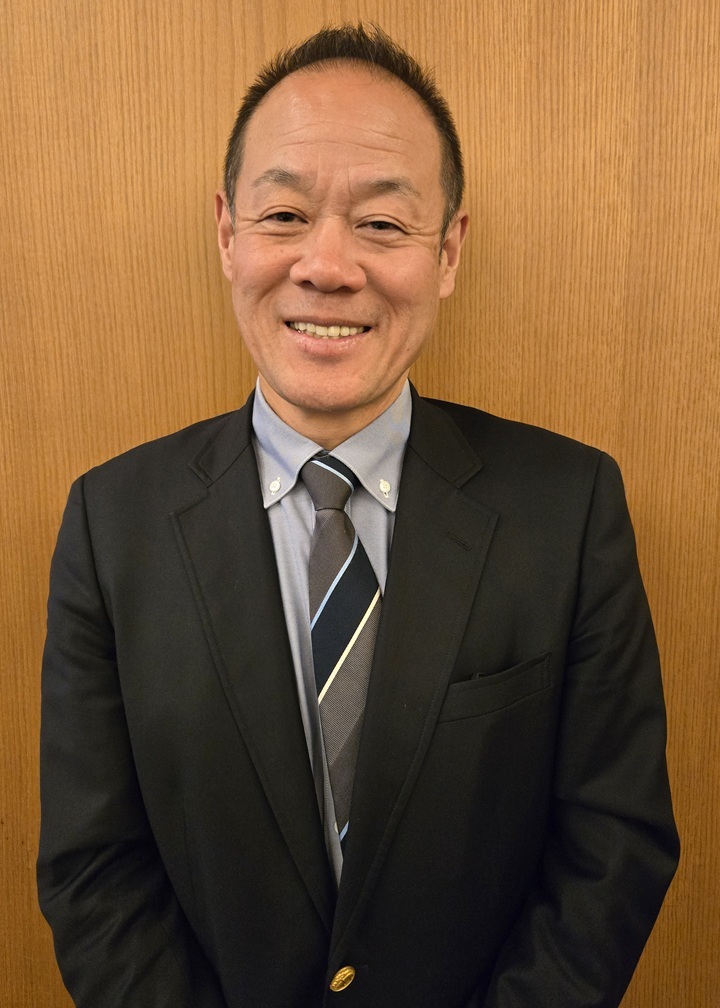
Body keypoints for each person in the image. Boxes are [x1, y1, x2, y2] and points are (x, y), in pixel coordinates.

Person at [38, 23, 679, 1008]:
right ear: (227, 234)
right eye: (285, 214)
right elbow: (94, 869)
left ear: (448, 249)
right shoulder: (109, 524)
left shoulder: (569, 507)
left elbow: (613, 845)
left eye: (381, 223)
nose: (328, 265)